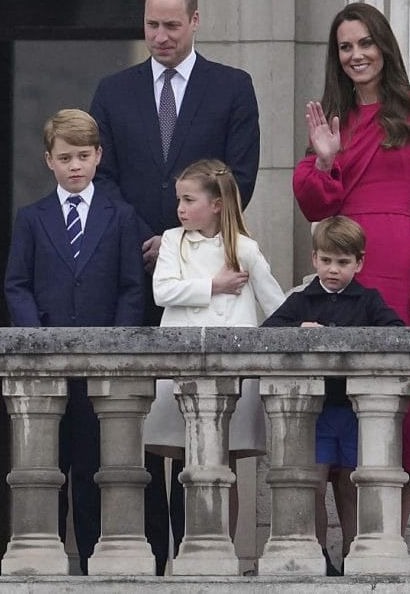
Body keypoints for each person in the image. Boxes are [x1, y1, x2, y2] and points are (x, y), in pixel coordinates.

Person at [87, 0, 260, 570]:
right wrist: (150, 239)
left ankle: (200, 549)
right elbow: (100, 178)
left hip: (206, 282)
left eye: (171, 25)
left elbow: (240, 175)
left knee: (201, 419)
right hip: (136, 274)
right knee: (142, 422)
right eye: (151, 25)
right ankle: (150, 552)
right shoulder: (113, 90)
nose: (159, 36)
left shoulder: (232, 87)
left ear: (195, 21)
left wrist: (186, 237)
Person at [293, 2, 410, 532]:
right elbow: (315, 207)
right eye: (346, 46)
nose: (356, 54)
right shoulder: (331, 118)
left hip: (395, 262)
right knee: (343, 405)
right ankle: (349, 548)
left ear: (383, 46)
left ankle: (384, 540)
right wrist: (323, 158)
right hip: (342, 263)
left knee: (402, 405)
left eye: (365, 43)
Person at [4, 109, 144, 574]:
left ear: (99, 156)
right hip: (47, 366)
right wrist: (37, 339)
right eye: (65, 157)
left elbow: (130, 286)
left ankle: (90, 564)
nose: (75, 166)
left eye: (84, 156)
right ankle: (43, 564)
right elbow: (17, 284)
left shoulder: (120, 216)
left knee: (93, 469)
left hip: (102, 367)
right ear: (49, 161)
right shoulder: (32, 218)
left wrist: (117, 344)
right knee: (45, 470)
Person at [143, 159, 283, 556]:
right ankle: (182, 554)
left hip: (232, 370)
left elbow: (274, 305)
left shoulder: (245, 249)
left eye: (189, 200)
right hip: (180, 364)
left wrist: (306, 322)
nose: (181, 209)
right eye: (179, 200)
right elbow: (163, 292)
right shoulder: (172, 241)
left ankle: (224, 552)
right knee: (183, 464)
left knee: (226, 468)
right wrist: (214, 284)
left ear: (217, 203)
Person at [262, 215, 404, 576]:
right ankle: (319, 553)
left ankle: (353, 553)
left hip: (356, 409)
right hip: (317, 409)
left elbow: (397, 332)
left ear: (359, 263)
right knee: (311, 482)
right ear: (314, 259)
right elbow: (268, 331)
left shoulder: (368, 299)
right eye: (326, 260)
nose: (333, 270)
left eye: (342, 262)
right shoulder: (303, 299)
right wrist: (299, 328)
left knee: (350, 483)